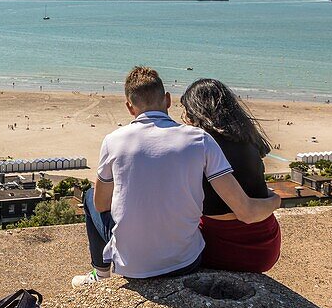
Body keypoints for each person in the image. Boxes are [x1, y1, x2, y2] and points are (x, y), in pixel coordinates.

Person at [73, 67, 280, 286]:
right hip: (187, 262)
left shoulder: (113, 140)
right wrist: (275, 199)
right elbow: (243, 208)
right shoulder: (200, 139)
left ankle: (100, 273)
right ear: (168, 100)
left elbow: (102, 204)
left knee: (90, 196)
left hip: (132, 265)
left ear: (129, 107)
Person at [180, 78, 281, 273]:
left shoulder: (201, 147)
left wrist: (277, 201)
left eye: (186, 111)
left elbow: (246, 212)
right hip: (267, 244)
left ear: (196, 113)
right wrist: (273, 200)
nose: (183, 118)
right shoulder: (248, 140)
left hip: (227, 248)